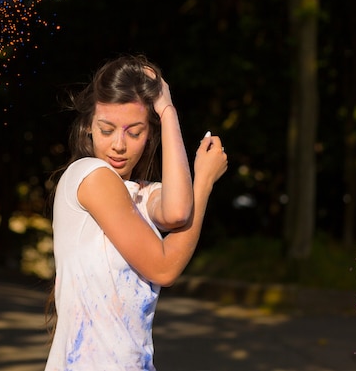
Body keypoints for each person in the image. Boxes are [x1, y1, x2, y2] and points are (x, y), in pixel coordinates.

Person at [44, 55, 228, 371]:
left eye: (134, 131)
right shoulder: (90, 175)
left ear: (149, 133)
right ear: (89, 125)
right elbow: (164, 268)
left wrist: (167, 112)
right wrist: (204, 183)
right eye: (107, 129)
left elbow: (176, 213)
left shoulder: (136, 194)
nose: (119, 144)